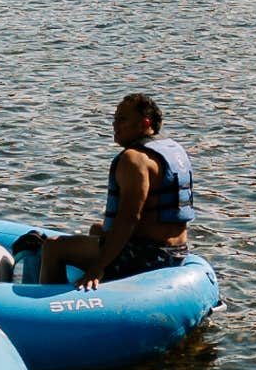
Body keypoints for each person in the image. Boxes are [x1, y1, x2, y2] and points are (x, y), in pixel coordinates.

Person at [33, 92, 195, 289]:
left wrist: (98, 267)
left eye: (122, 120)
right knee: (96, 229)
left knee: (52, 247)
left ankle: (50, 310)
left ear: (144, 124)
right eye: (115, 119)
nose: (115, 125)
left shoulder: (134, 159)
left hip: (148, 256)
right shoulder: (171, 150)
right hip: (177, 251)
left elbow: (129, 219)